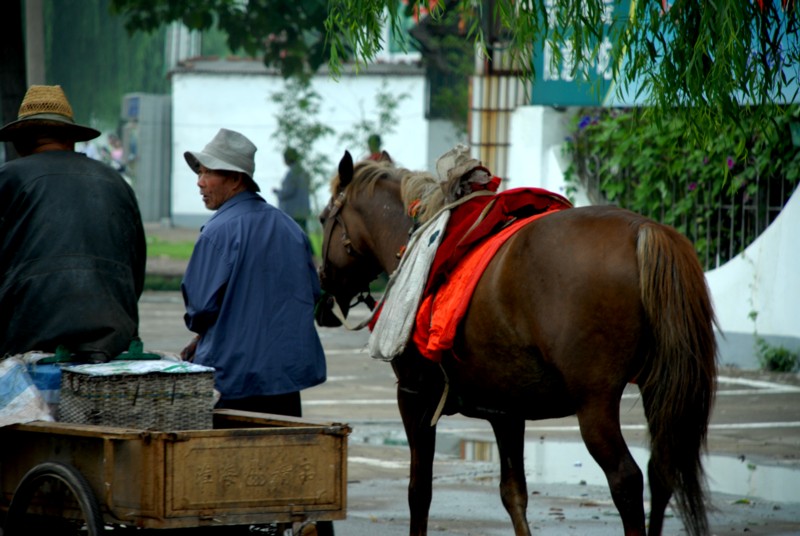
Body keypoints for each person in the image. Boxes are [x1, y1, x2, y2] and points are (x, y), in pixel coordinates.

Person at [180, 128, 326, 418]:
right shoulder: (291, 229)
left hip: (231, 384)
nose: (200, 182)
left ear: (235, 179)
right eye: (200, 173)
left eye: (208, 173)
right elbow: (311, 295)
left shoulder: (216, 232)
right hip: (284, 385)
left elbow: (199, 310)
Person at [0, 85, 146, 362]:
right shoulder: (116, 183)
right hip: (111, 337)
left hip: (25, 336)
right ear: (72, 140)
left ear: (20, 143)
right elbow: (135, 271)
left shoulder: (8, 179)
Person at [272, 147, 311, 232]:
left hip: (293, 213)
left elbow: (288, 191)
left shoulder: (292, 173)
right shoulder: (303, 171)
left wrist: (277, 192)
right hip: (302, 213)